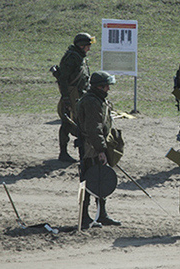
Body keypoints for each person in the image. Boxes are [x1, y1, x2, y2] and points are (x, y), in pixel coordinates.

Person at [76, 71, 121, 229]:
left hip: (97, 145)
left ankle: (102, 214)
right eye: (106, 86)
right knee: (90, 180)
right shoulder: (92, 102)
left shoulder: (98, 100)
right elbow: (94, 129)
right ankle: (84, 216)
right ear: (99, 87)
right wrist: (101, 150)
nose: (108, 88)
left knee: (101, 179)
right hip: (91, 148)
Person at [57, 33, 95, 162]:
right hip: (72, 95)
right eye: (87, 46)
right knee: (68, 122)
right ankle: (63, 153)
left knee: (81, 122)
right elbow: (63, 79)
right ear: (81, 46)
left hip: (80, 94)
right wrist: (66, 98)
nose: (89, 49)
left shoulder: (79, 57)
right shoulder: (71, 58)